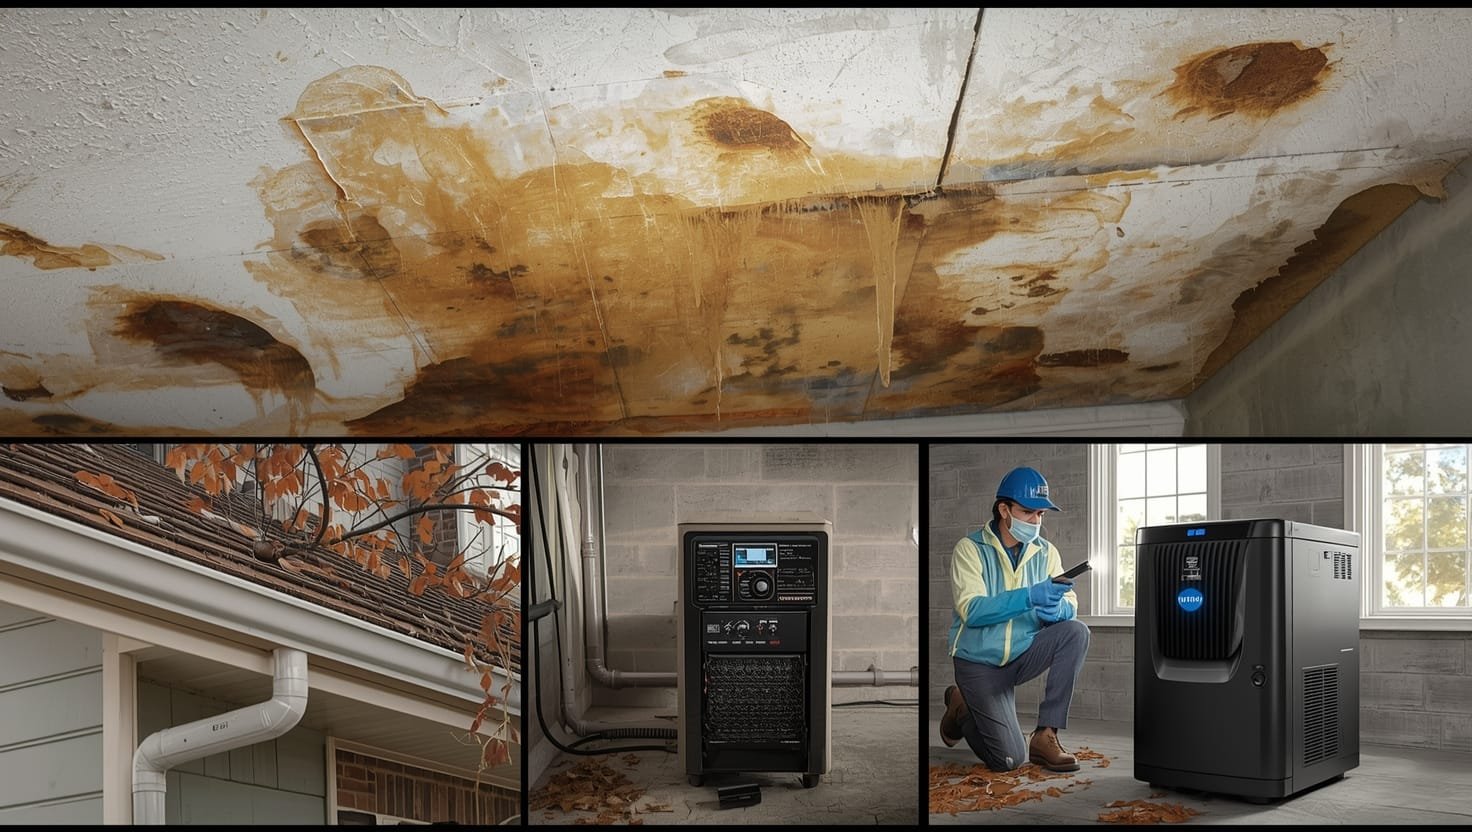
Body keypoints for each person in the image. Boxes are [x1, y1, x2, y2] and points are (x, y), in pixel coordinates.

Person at [939, 465, 1090, 773]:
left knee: (1075, 632)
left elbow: (1070, 602)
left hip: (1022, 655)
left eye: (1041, 514)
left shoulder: (1046, 552)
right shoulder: (970, 549)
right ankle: (961, 706)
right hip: (978, 665)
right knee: (1008, 760)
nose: (1035, 521)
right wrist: (1029, 597)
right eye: (1027, 512)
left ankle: (1046, 734)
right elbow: (972, 610)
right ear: (1003, 509)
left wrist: (1057, 610)